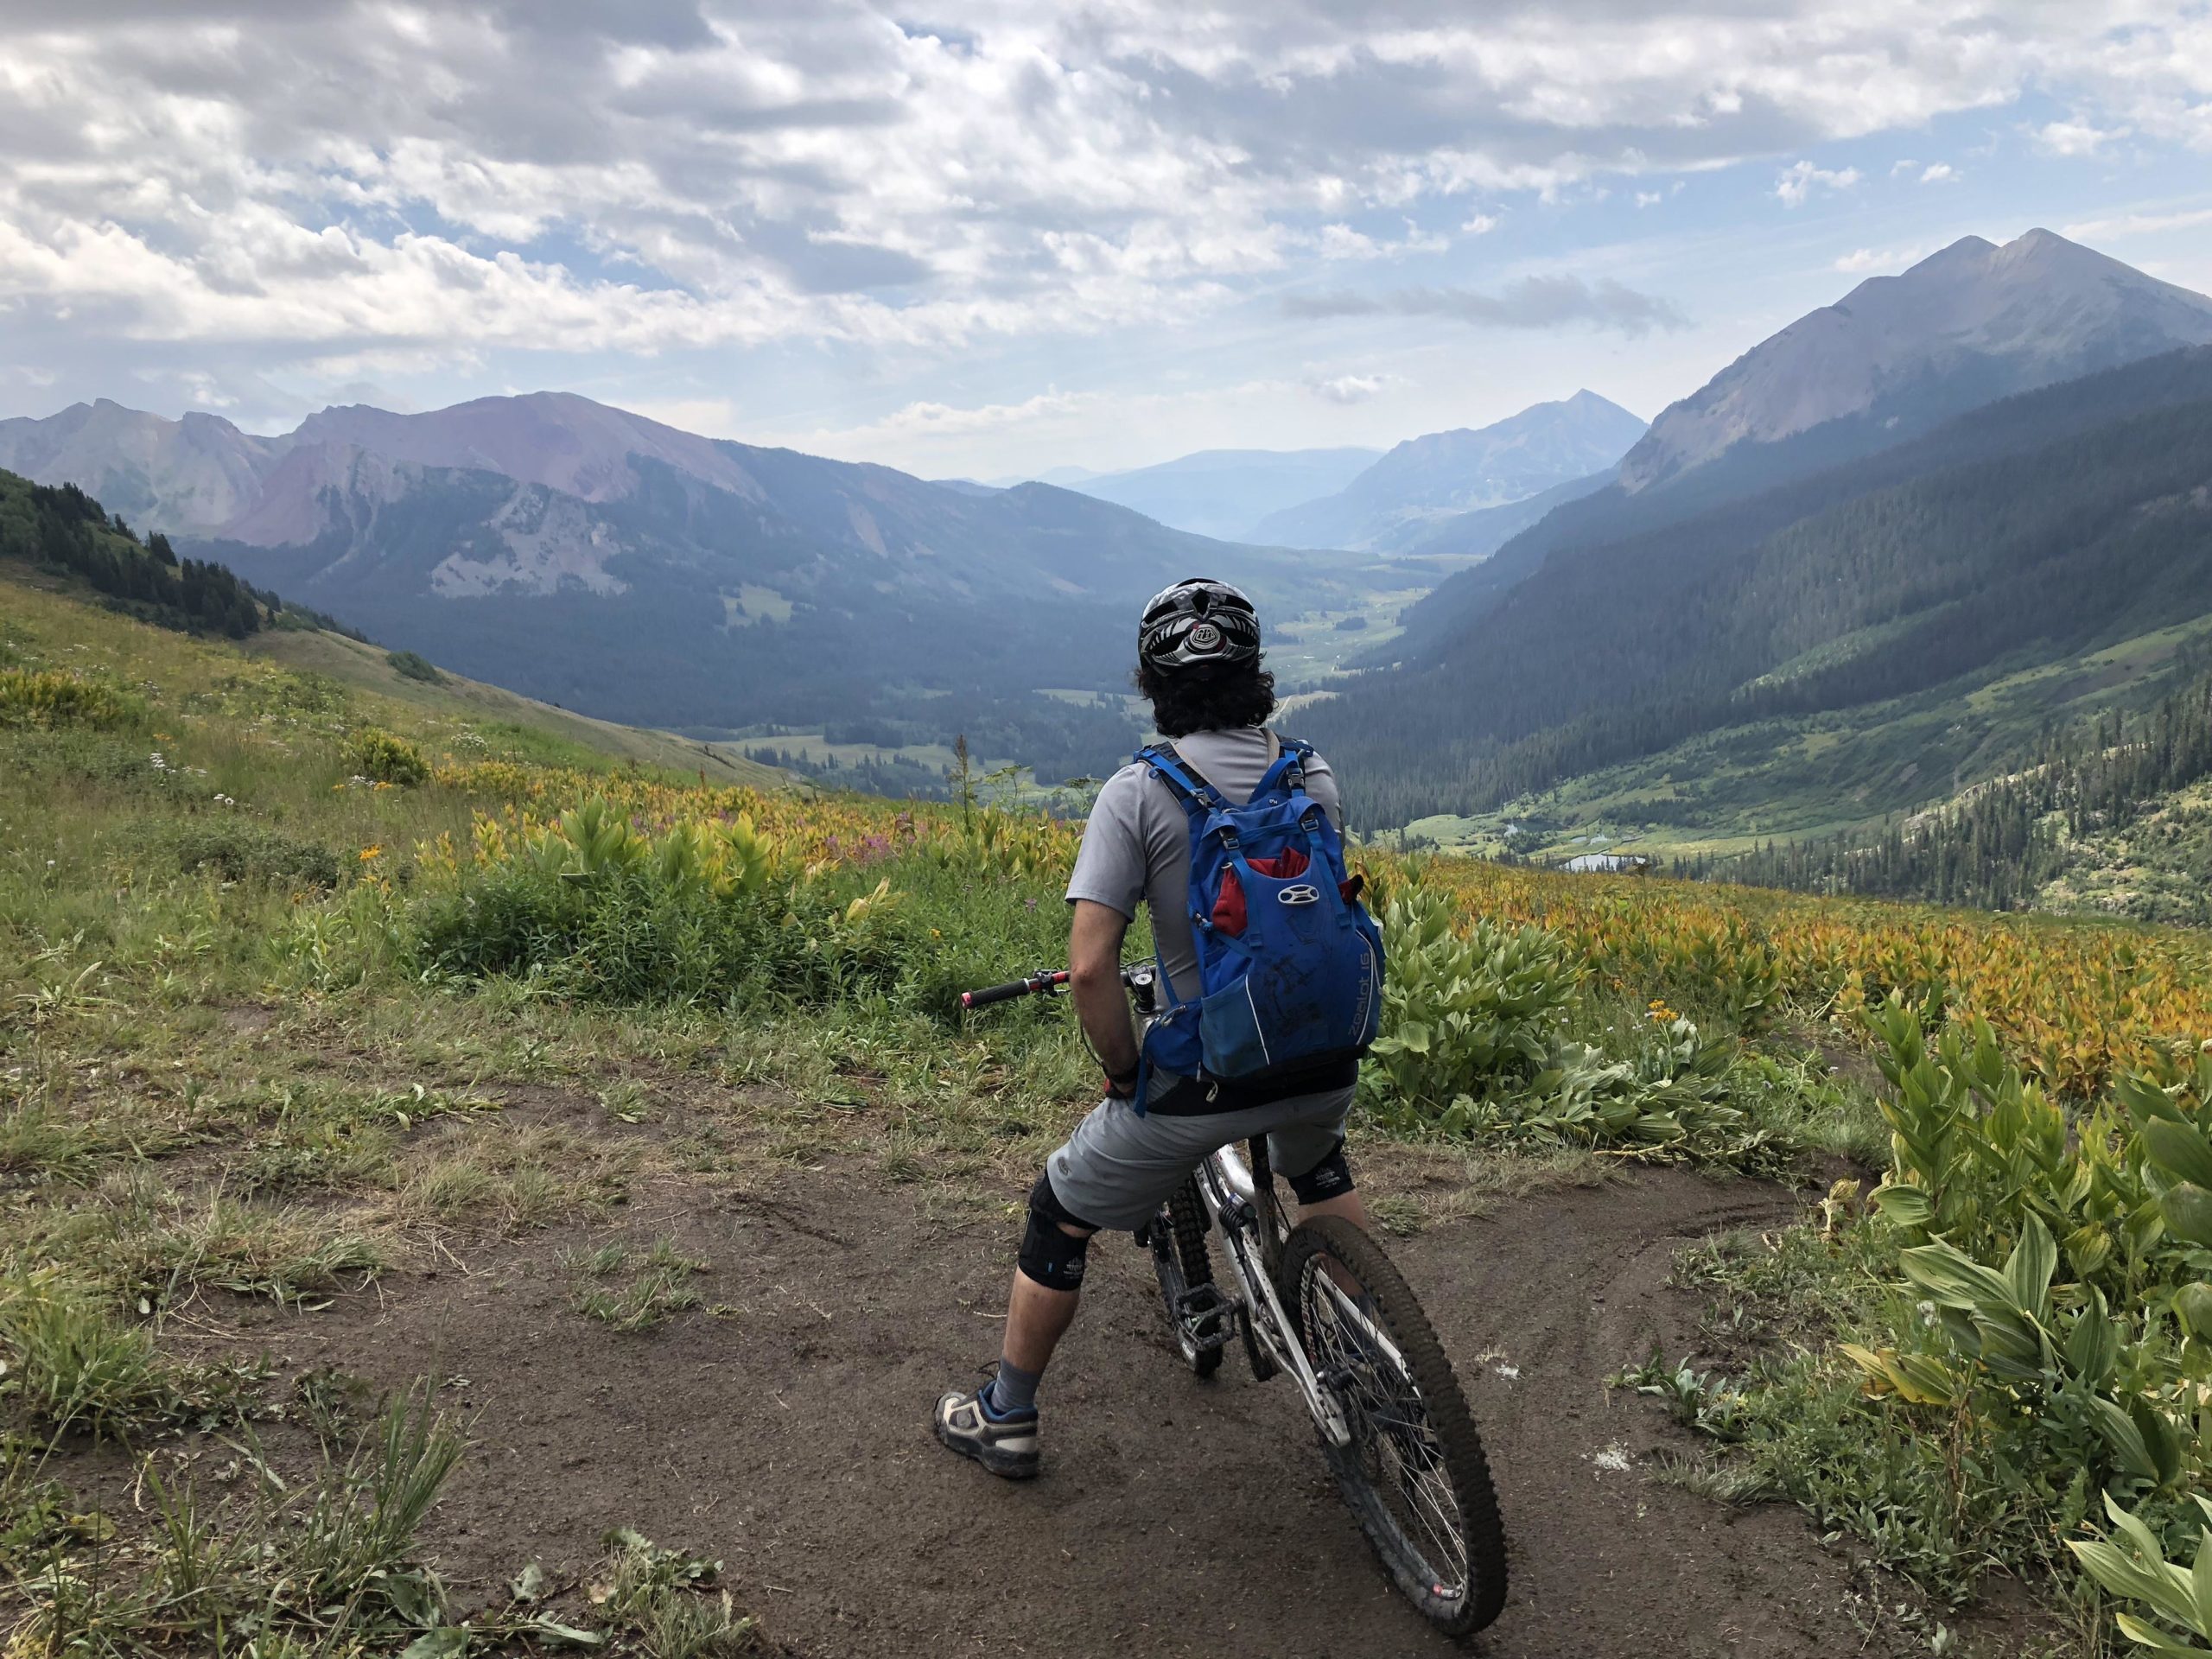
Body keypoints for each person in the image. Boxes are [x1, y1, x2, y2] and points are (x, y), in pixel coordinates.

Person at [932, 576, 1372, 1479]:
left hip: (1209, 1075)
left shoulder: (1138, 794)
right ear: (1256, 672)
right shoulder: (1312, 773)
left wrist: (1127, 1072)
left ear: (1152, 683)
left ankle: (1005, 1417)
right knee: (1317, 1163)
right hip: (1328, 1054)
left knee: (1057, 1214)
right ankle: (1374, 1358)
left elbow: (1091, 968)